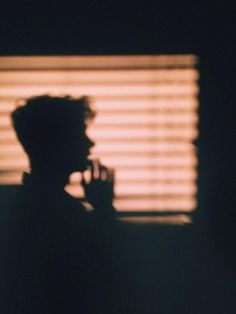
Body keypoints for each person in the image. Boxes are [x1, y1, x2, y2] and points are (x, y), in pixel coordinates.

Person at [0, 95, 117, 314]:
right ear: (57, 142)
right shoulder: (60, 212)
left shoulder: (24, 204)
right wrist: (104, 210)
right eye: (80, 133)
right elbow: (102, 278)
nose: (91, 143)